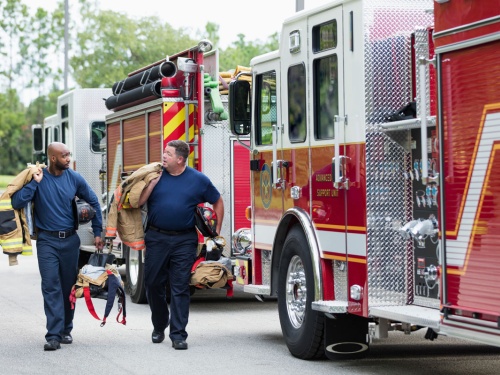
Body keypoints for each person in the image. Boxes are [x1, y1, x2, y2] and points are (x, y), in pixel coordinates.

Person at [12, 142, 103, 351]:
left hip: (71, 241)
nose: (68, 159)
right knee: (51, 286)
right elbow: (17, 201)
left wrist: (98, 232)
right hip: (47, 242)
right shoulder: (38, 178)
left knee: (67, 288)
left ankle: (65, 330)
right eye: (64, 156)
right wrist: (35, 183)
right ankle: (53, 335)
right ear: (53, 158)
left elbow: (94, 202)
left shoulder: (75, 178)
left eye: (69, 154)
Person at [138, 139, 224, 350]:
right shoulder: (154, 175)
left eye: (168, 153)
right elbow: (138, 202)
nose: (163, 156)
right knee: (153, 283)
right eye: (164, 152)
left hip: (184, 240)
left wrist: (216, 231)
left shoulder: (198, 180)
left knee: (180, 286)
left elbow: (217, 201)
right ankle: (160, 325)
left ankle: (178, 334)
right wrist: (150, 184)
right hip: (156, 238)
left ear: (180, 159)